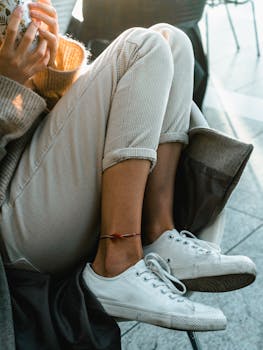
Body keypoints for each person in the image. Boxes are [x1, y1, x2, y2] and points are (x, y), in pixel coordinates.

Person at [0, 0, 256, 332]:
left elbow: (46, 109)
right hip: (14, 229)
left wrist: (45, 59)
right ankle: (116, 261)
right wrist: (8, 84)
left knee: (172, 40)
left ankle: (159, 233)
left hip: (38, 178)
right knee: (141, 46)